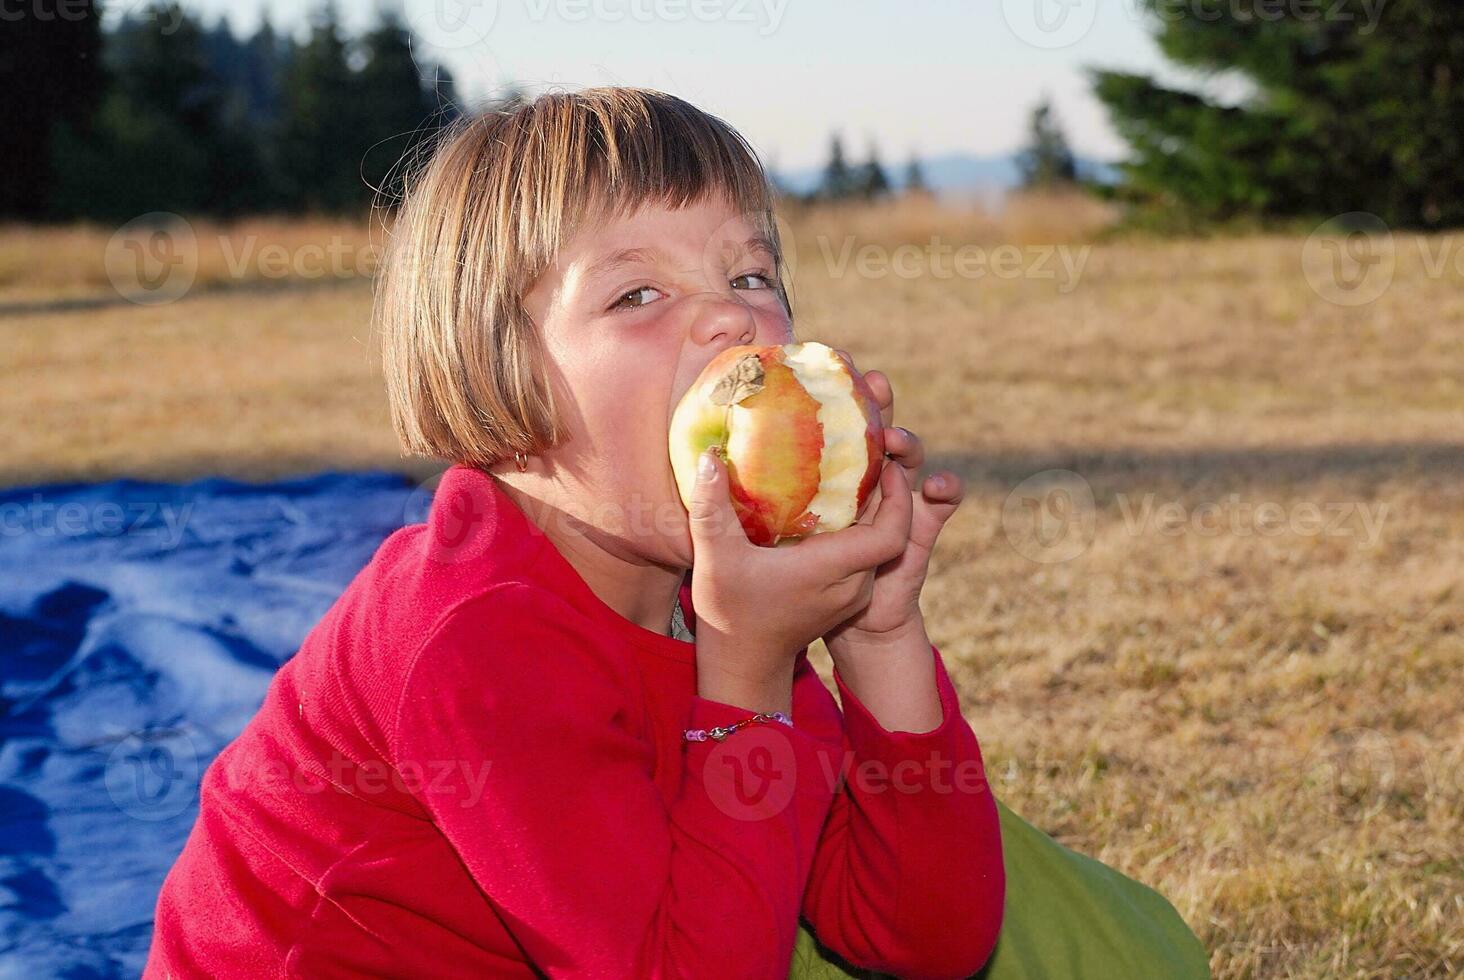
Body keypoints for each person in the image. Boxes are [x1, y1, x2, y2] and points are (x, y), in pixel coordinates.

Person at [145, 87, 1206, 979]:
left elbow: (923, 935)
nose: (732, 321)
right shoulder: (474, 633)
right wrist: (745, 668)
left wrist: (880, 638)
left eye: (750, 276)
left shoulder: (715, 588)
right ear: (497, 371)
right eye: (639, 292)